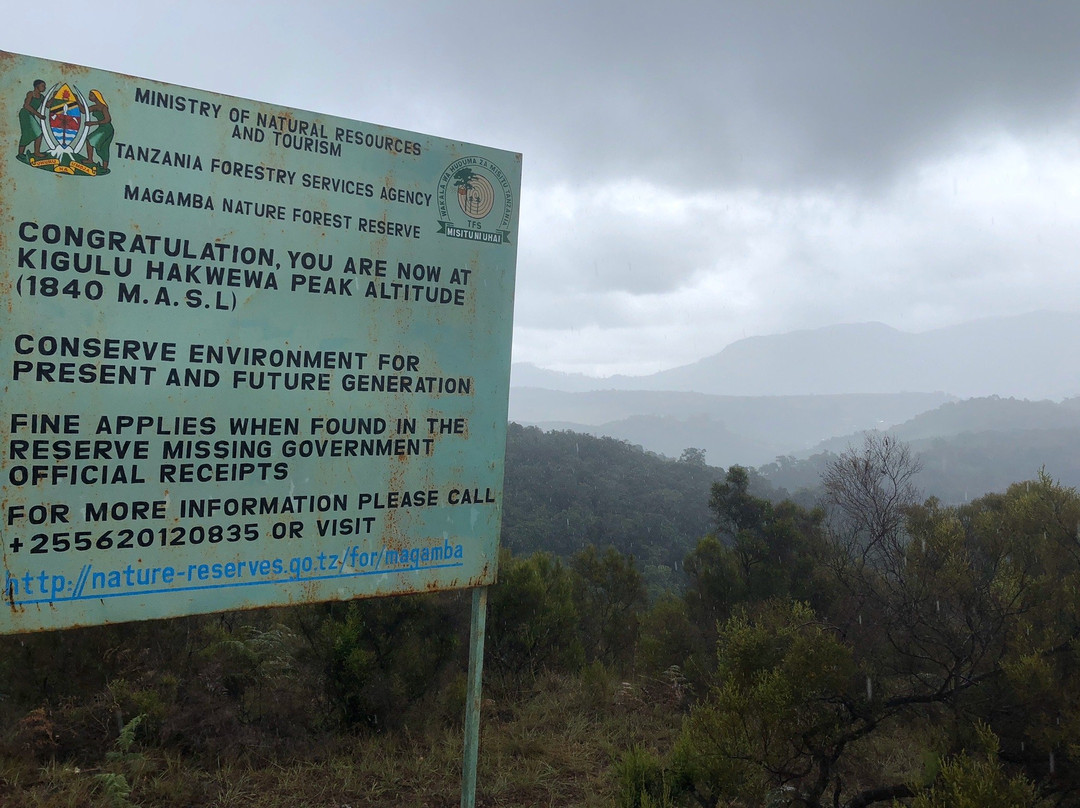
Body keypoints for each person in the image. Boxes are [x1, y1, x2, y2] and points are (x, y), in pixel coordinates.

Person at [84, 90, 113, 170]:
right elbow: (84, 110)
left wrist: (92, 123)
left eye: (91, 95)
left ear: (97, 97)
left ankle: (99, 165)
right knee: (101, 146)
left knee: (100, 145)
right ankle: (93, 161)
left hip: (107, 129)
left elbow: (108, 119)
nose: (89, 97)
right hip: (102, 128)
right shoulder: (94, 107)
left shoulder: (103, 107)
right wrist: (77, 100)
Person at [18, 79, 47, 158]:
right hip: (25, 114)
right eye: (43, 86)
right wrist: (39, 115)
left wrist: (54, 96)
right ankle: (27, 153)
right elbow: (26, 106)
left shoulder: (41, 97)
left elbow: (47, 105)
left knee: (36, 133)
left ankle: (30, 153)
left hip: (31, 115)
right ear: (37, 86)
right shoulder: (31, 94)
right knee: (34, 133)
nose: (44, 88)